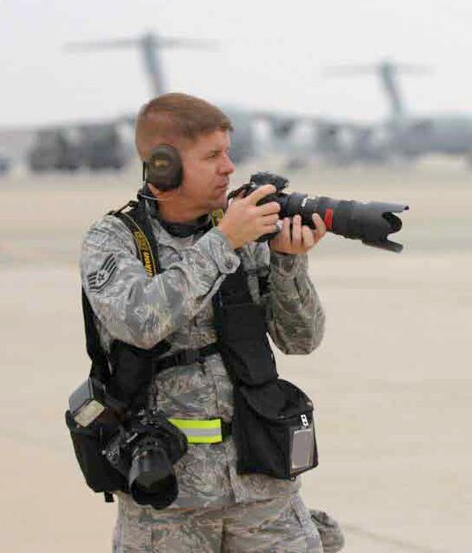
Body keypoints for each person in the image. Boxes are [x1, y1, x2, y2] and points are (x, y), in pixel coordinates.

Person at [78, 93, 342, 552]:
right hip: (168, 503)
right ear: (163, 165)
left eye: (228, 152)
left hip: (263, 489)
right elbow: (140, 321)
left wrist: (287, 262)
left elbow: (301, 339)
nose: (228, 167)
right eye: (212, 156)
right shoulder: (114, 239)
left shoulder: (244, 230)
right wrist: (223, 242)